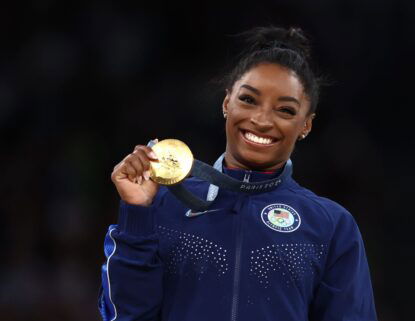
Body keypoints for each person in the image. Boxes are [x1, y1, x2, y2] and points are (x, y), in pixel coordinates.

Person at [98, 26, 378, 321]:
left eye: (285, 110)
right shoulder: (164, 205)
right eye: (248, 100)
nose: (261, 120)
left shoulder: (330, 226)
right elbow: (127, 316)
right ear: (226, 102)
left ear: (306, 125)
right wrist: (137, 213)